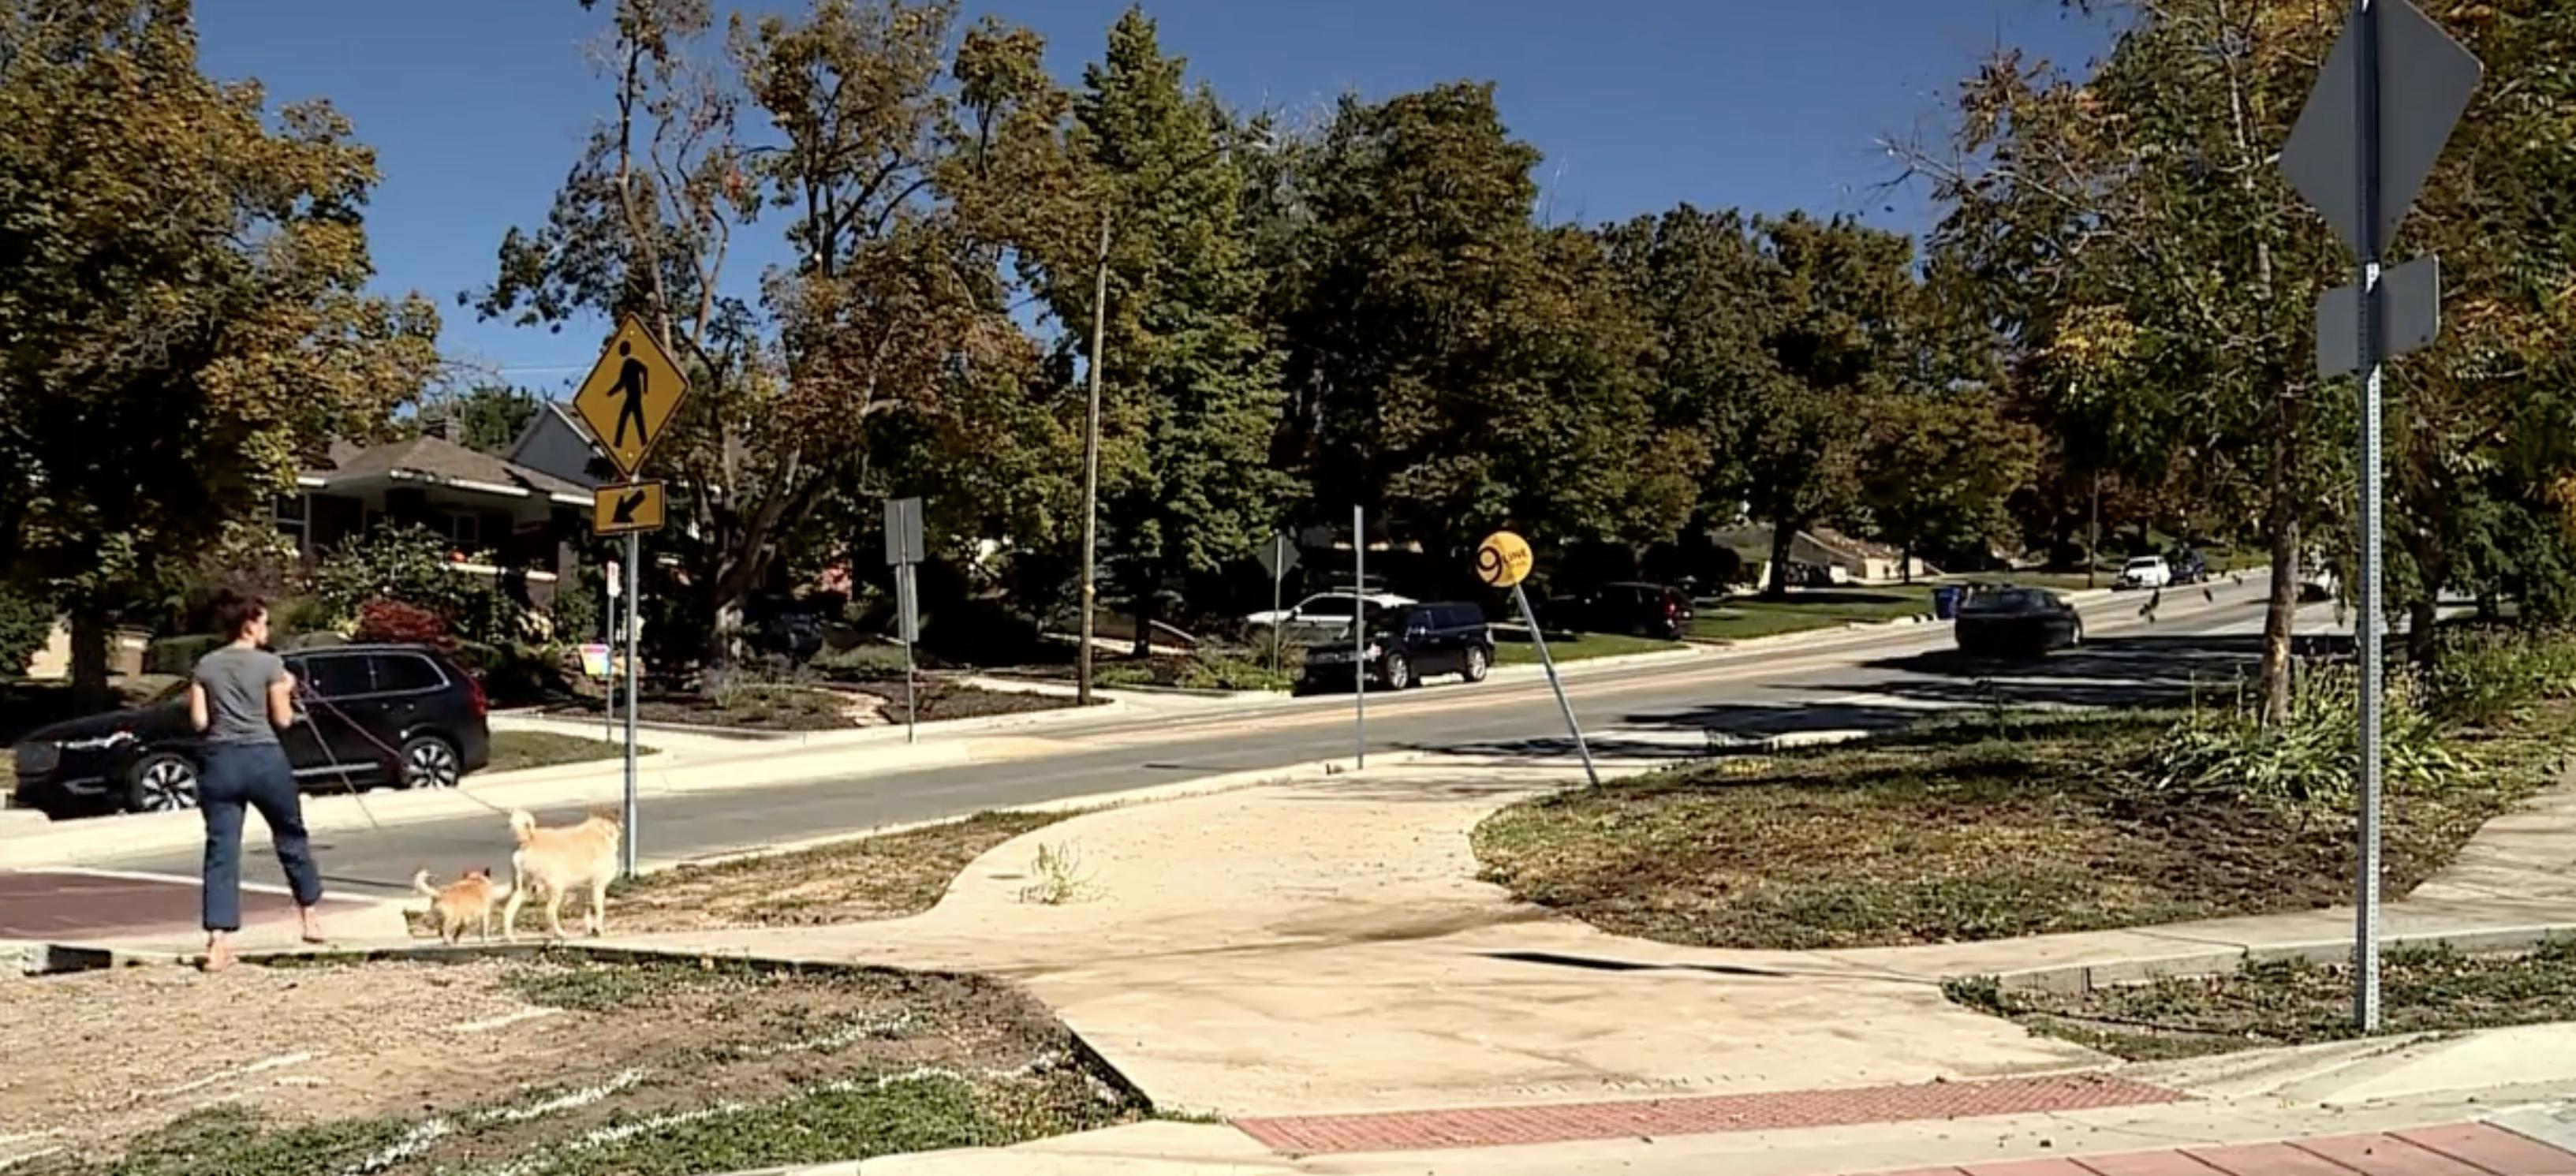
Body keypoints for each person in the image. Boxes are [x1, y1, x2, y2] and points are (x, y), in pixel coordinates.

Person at [190, 591, 325, 971]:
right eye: (264, 622)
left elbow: (200, 722)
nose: (267, 630)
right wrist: (287, 690)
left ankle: (218, 940)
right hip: (263, 757)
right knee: (290, 834)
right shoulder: (270, 665)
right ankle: (309, 916)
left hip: (219, 762)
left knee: (221, 850)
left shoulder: (205, 666)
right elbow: (282, 720)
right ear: (249, 625)